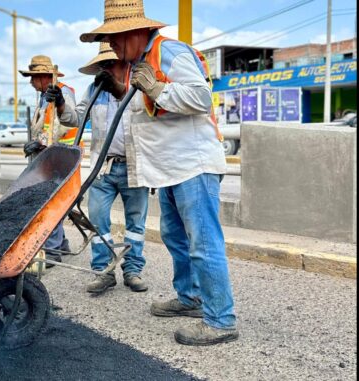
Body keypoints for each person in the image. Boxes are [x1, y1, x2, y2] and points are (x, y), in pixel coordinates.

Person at [80, 0, 239, 346]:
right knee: (176, 239)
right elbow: (143, 110)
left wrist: (156, 88)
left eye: (116, 39)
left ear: (135, 32)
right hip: (169, 170)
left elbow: (201, 97)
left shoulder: (169, 52)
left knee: (203, 243)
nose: (113, 48)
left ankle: (221, 319)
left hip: (193, 166)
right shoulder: (140, 62)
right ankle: (190, 298)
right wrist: (124, 90)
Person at [76, 43, 149, 294]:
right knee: (97, 220)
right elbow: (76, 119)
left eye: (111, 63)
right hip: (103, 168)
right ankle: (104, 271)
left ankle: (133, 270)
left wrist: (118, 89)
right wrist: (62, 106)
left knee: (136, 224)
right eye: (103, 64)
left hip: (133, 166)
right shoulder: (93, 89)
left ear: (125, 62)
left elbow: (144, 110)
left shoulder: (139, 85)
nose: (106, 68)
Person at [19, 55, 79, 265]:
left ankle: (52, 252)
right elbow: (43, 126)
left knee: (51, 205)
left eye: (33, 77)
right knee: (49, 203)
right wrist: (35, 142)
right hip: (47, 159)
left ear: (44, 77)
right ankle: (60, 244)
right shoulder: (43, 97)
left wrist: (40, 142)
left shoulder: (63, 93)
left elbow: (66, 124)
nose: (31, 82)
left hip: (60, 159)